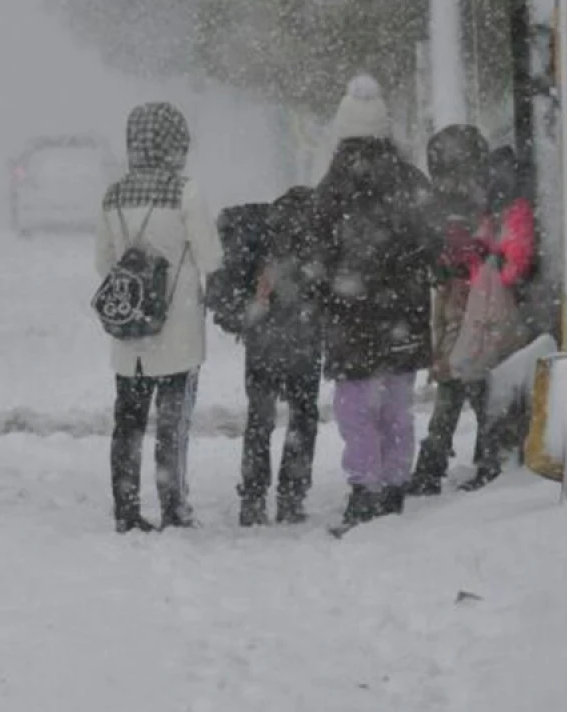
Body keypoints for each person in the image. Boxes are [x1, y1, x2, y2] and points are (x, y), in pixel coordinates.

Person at [312, 75, 438, 529]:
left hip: (353, 317)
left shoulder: (332, 186)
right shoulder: (410, 180)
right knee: (397, 403)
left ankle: (365, 486)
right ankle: (395, 483)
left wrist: (332, 287)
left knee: (355, 405)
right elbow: (431, 240)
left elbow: (318, 250)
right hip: (403, 311)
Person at [95, 102, 223, 533]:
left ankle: (126, 510)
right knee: (173, 424)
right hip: (178, 326)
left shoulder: (113, 195)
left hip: (129, 325)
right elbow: (210, 257)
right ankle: (174, 507)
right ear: (175, 143)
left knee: (127, 423)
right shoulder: (184, 191)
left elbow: (103, 261)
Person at [408, 131, 537, 495]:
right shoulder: (483, 201)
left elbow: (497, 253)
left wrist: (468, 265)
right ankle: (482, 457)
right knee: (467, 377)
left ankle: (451, 462)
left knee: (462, 377)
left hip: (473, 301)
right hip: (474, 298)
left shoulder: (474, 205)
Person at [209, 188, 325, 527]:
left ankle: (253, 497)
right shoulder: (312, 241)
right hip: (303, 341)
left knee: (259, 421)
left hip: (262, 342)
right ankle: (291, 496)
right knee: (303, 417)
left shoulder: (262, 241)